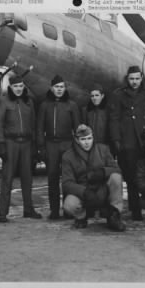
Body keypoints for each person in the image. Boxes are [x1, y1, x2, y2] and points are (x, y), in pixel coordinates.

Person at [109, 65, 145, 221]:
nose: (134, 82)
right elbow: (114, 119)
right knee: (131, 178)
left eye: (137, 78)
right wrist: (116, 140)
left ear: (141, 78)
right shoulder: (118, 95)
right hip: (128, 142)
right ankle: (135, 210)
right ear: (127, 79)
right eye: (132, 79)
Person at [0, 75, 42, 222]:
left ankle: (28, 209)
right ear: (11, 87)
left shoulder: (29, 102)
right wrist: (1, 144)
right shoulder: (3, 101)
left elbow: (33, 124)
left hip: (26, 143)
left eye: (21, 86)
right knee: (7, 178)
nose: (19, 89)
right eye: (16, 86)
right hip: (10, 143)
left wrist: (34, 145)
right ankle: (3, 213)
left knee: (27, 178)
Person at [62, 124, 126, 231]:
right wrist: (84, 192)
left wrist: (103, 171)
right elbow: (67, 183)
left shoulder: (103, 149)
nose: (87, 142)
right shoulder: (68, 156)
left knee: (116, 178)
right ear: (77, 140)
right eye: (83, 139)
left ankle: (114, 214)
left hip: (102, 188)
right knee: (69, 205)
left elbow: (117, 169)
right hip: (83, 191)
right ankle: (82, 217)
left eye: (89, 138)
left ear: (93, 137)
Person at [37, 74, 80, 219]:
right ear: (51, 88)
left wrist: (76, 148)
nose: (59, 90)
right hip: (51, 144)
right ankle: (54, 210)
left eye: (62, 87)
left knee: (68, 179)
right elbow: (39, 128)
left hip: (67, 144)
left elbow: (78, 128)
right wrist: (41, 147)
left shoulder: (72, 105)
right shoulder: (44, 105)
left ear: (65, 88)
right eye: (57, 87)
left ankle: (68, 210)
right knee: (52, 178)